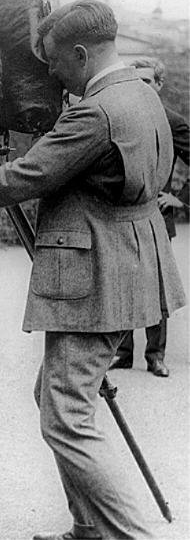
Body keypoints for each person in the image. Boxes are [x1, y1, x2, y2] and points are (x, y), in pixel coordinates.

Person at [0, 0, 185, 539]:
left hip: (98, 272)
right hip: (129, 261)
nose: (51, 76)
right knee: (58, 397)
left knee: (66, 419)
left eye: (57, 63)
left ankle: (131, 535)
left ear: (82, 53)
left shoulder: (95, 111)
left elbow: (24, 178)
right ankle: (91, 530)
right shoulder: (139, 93)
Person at [109, 57, 190, 377]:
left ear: (158, 85)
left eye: (146, 82)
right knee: (123, 284)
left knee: (156, 287)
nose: (140, 88)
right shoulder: (120, 117)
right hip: (123, 215)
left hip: (157, 215)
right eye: (135, 82)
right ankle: (123, 353)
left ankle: (155, 354)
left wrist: (180, 199)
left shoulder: (174, 121)